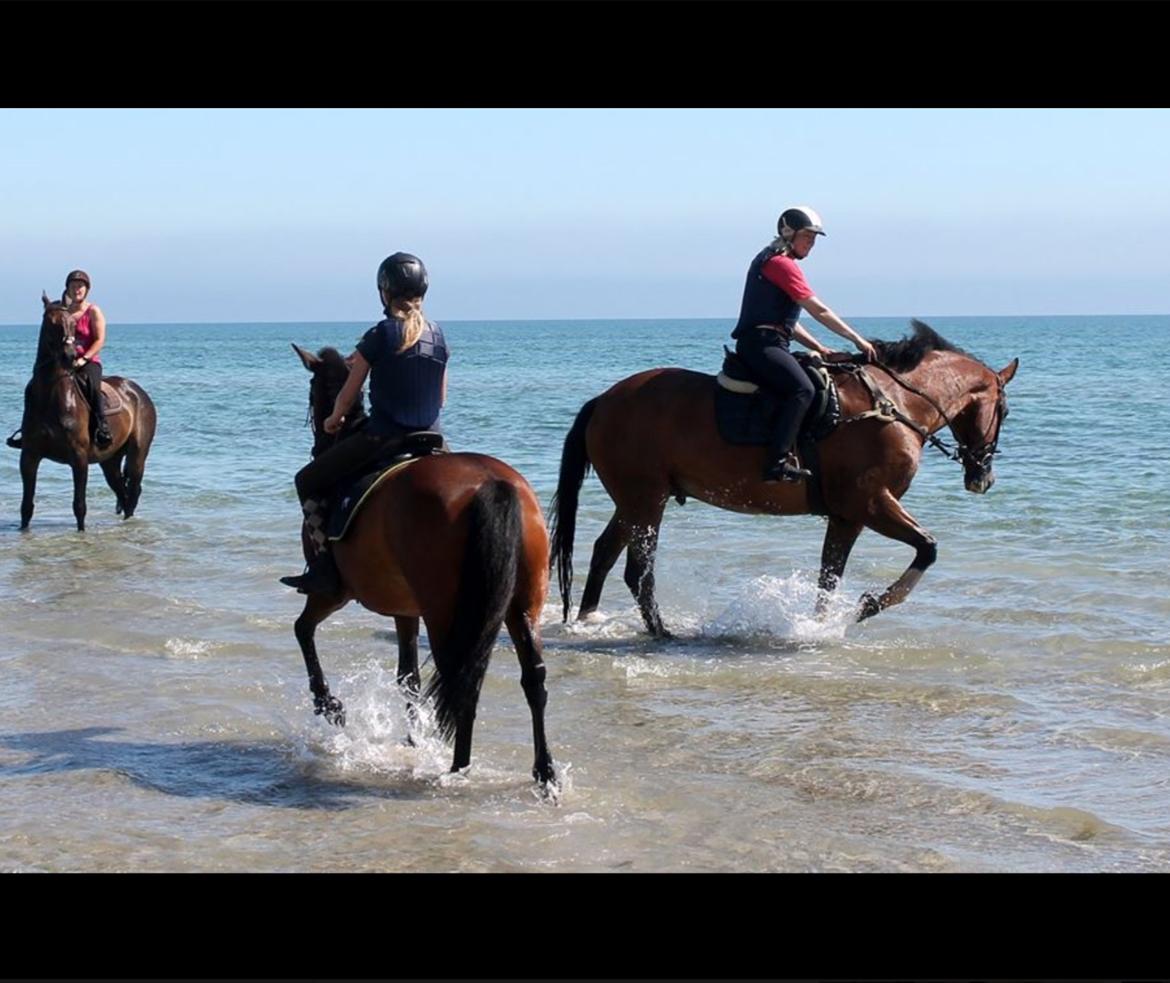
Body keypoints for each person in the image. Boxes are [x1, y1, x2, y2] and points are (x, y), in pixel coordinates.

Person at [280, 252, 450, 594]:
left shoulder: (380, 335)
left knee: (307, 481)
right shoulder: (438, 336)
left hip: (385, 438)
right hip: (433, 440)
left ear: (384, 292)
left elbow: (348, 393)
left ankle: (324, 567)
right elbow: (441, 398)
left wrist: (333, 418)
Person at [731, 207, 877, 482]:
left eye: (814, 239)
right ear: (789, 233)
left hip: (771, 340)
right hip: (761, 345)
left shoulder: (774, 261)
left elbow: (787, 323)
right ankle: (776, 464)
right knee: (803, 389)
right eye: (807, 237)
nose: (811, 244)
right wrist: (856, 339)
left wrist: (820, 348)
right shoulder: (781, 264)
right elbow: (817, 309)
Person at [7, 269, 113, 450]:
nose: (77, 289)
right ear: (67, 289)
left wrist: (83, 359)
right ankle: (27, 431)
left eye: (80, 286)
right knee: (33, 387)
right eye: (73, 286)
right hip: (63, 362)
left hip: (87, 361)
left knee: (93, 388)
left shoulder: (93, 311)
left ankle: (102, 427)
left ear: (86, 289)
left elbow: (99, 340)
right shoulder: (62, 312)